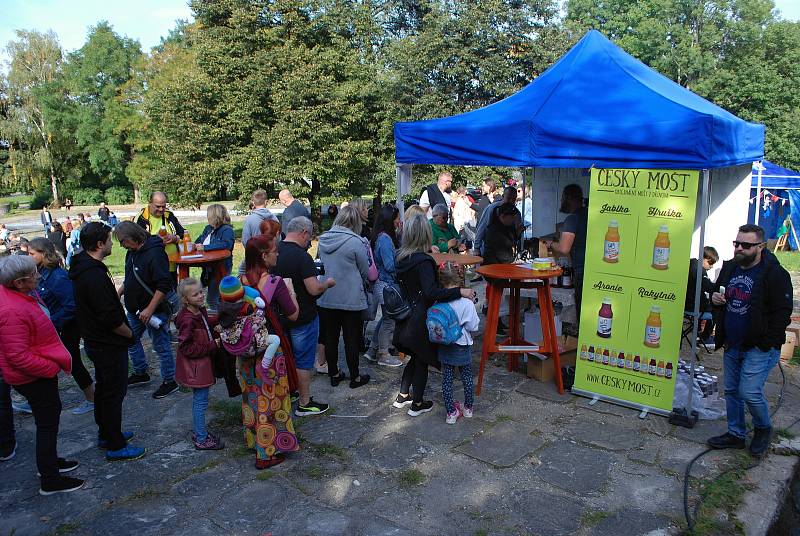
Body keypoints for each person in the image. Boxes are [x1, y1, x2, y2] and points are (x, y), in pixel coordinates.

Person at [0, 255, 84, 494]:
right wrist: (50, 368)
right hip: (33, 376)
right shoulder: (12, 311)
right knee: (47, 423)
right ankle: (50, 479)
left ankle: (48, 462)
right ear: (19, 282)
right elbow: (17, 355)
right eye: (33, 275)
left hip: (36, 371)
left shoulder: (18, 295)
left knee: (47, 420)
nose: (38, 276)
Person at [707, 224, 792, 457]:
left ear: (761, 246)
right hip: (733, 342)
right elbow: (717, 294)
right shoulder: (731, 267)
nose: (739, 248)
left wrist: (767, 343)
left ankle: (763, 428)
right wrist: (715, 298)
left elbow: (782, 312)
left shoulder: (775, 274)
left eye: (746, 245)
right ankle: (736, 434)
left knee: (750, 391)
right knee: (732, 391)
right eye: (737, 243)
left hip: (759, 346)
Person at [69, 222, 143, 461]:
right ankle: (115, 444)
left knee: (104, 390)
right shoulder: (93, 276)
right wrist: (129, 334)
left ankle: (106, 433)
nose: (113, 244)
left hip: (95, 341)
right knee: (113, 394)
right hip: (107, 343)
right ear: (99, 244)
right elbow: (109, 317)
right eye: (110, 241)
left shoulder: (85, 268)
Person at [392, 212, 476, 416]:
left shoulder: (402, 258)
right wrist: (460, 291)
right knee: (422, 358)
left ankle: (403, 395)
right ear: (425, 235)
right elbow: (431, 293)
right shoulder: (424, 262)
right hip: (421, 318)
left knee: (413, 356)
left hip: (405, 317)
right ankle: (417, 404)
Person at [239, 234, 300, 469]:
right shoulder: (275, 282)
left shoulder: (241, 280)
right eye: (274, 251)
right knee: (271, 400)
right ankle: (267, 453)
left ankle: (254, 440)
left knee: (252, 397)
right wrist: (291, 290)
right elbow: (293, 314)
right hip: (269, 349)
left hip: (246, 349)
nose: (278, 254)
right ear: (264, 256)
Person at [272, 216, 335, 416]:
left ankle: (289, 392)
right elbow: (313, 289)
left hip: (280, 317)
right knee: (303, 361)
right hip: (303, 317)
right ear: (304, 233)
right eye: (310, 237)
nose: (310, 243)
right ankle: (305, 403)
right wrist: (327, 284)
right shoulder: (302, 257)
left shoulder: (274, 252)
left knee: (285, 358)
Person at [28, 238, 95, 415]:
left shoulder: (57, 276)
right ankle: (38, 399)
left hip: (67, 326)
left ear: (43, 254)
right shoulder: (40, 273)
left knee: (72, 361)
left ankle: (92, 399)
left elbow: (71, 306)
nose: (29, 257)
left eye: (32, 253)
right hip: (54, 327)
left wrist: (50, 323)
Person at [115, 221, 178, 399]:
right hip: (135, 310)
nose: (122, 245)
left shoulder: (155, 253)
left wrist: (150, 308)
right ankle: (141, 372)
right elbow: (130, 277)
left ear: (134, 237)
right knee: (130, 339)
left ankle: (169, 380)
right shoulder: (131, 252)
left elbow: (163, 284)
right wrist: (119, 293)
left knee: (161, 345)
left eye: (123, 241)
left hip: (153, 311)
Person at [317, 205, 372, 389]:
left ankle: (334, 373)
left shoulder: (323, 239)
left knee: (330, 337)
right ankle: (355, 377)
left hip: (327, 295)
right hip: (350, 297)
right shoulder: (356, 242)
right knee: (351, 338)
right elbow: (365, 269)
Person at [175, 278, 225, 450]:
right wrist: (213, 345)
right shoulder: (187, 320)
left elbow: (205, 323)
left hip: (202, 364)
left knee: (201, 401)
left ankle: (200, 431)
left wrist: (219, 318)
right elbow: (186, 348)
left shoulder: (199, 310)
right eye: (195, 294)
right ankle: (201, 438)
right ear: (185, 300)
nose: (201, 296)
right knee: (200, 402)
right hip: (197, 368)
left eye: (201, 291)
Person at [436, 264, 480, 424]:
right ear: (460, 280)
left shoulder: (438, 300)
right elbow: (473, 326)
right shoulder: (467, 303)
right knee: (467, 377)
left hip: (445, 344)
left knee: (446, 380)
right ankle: (468, 408)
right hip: (462, 345)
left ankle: (451, 412)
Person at [363, 204, 403, 367]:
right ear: (391, 219)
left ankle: (372, 350)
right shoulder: (385, 239)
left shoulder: (379, 236)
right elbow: (389, 265)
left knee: (386, 318)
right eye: (398, 218)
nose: (399, 221)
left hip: (381, 284)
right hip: (387, 285)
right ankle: (384, 354)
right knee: (389, 320)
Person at [543, 184, 588, 320]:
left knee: (582, 310)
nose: (561, 201)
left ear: (568, 198)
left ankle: (580, 338)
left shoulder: (572, 219)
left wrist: (550, 244)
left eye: (563, 197)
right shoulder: (588, 213)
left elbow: (564, 248)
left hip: (581, 268)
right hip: (593, 268)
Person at [135, 191, 185, 284]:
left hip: (172, 266)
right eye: (157, 206)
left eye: (164, 206)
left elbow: (183, 234)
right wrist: (157, 240)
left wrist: (175, 238)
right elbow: (136, 244)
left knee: (172, 295)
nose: (161, 209)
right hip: (151, 268)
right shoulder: (140, 219)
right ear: (150, 203)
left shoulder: (169, 215)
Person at [194, 204, 235, 310]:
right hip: (208, 267)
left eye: (209, 214)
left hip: (220, 267)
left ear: (214, 216)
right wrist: (195, 245)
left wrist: (205, 247)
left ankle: (218, 320)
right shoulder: (208, 229)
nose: (207, 217)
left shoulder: (226, 230)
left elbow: (226, 245)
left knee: (213, 298)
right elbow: (199, 240)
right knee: (209, 295)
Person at [239, 189, 278, 275]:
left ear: (253, 202)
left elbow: (246, 240)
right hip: (271, 257)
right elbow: (278, 239)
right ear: (266, 202)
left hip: (254, 259)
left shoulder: (250, 220)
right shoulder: (274, 219)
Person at [474, 186, 521, 256]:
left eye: (513, 199)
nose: (511, 201)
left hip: (507, 252)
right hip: (490, 251)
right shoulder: (492, 208)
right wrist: (476, 248)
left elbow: (516, 234)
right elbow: (482, 228)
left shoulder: (516, 212)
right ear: (503, 196)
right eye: (508, 198)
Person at [685, 246, 719, 344]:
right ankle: (705, 337)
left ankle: (698, 329)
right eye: (711, 263)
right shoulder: (699, 269)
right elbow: (708, 287)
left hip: (688, 302)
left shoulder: (691, 263)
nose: (711, 266)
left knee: (707, 302)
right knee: (718, 308)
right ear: (705, 258)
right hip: (692, 306)